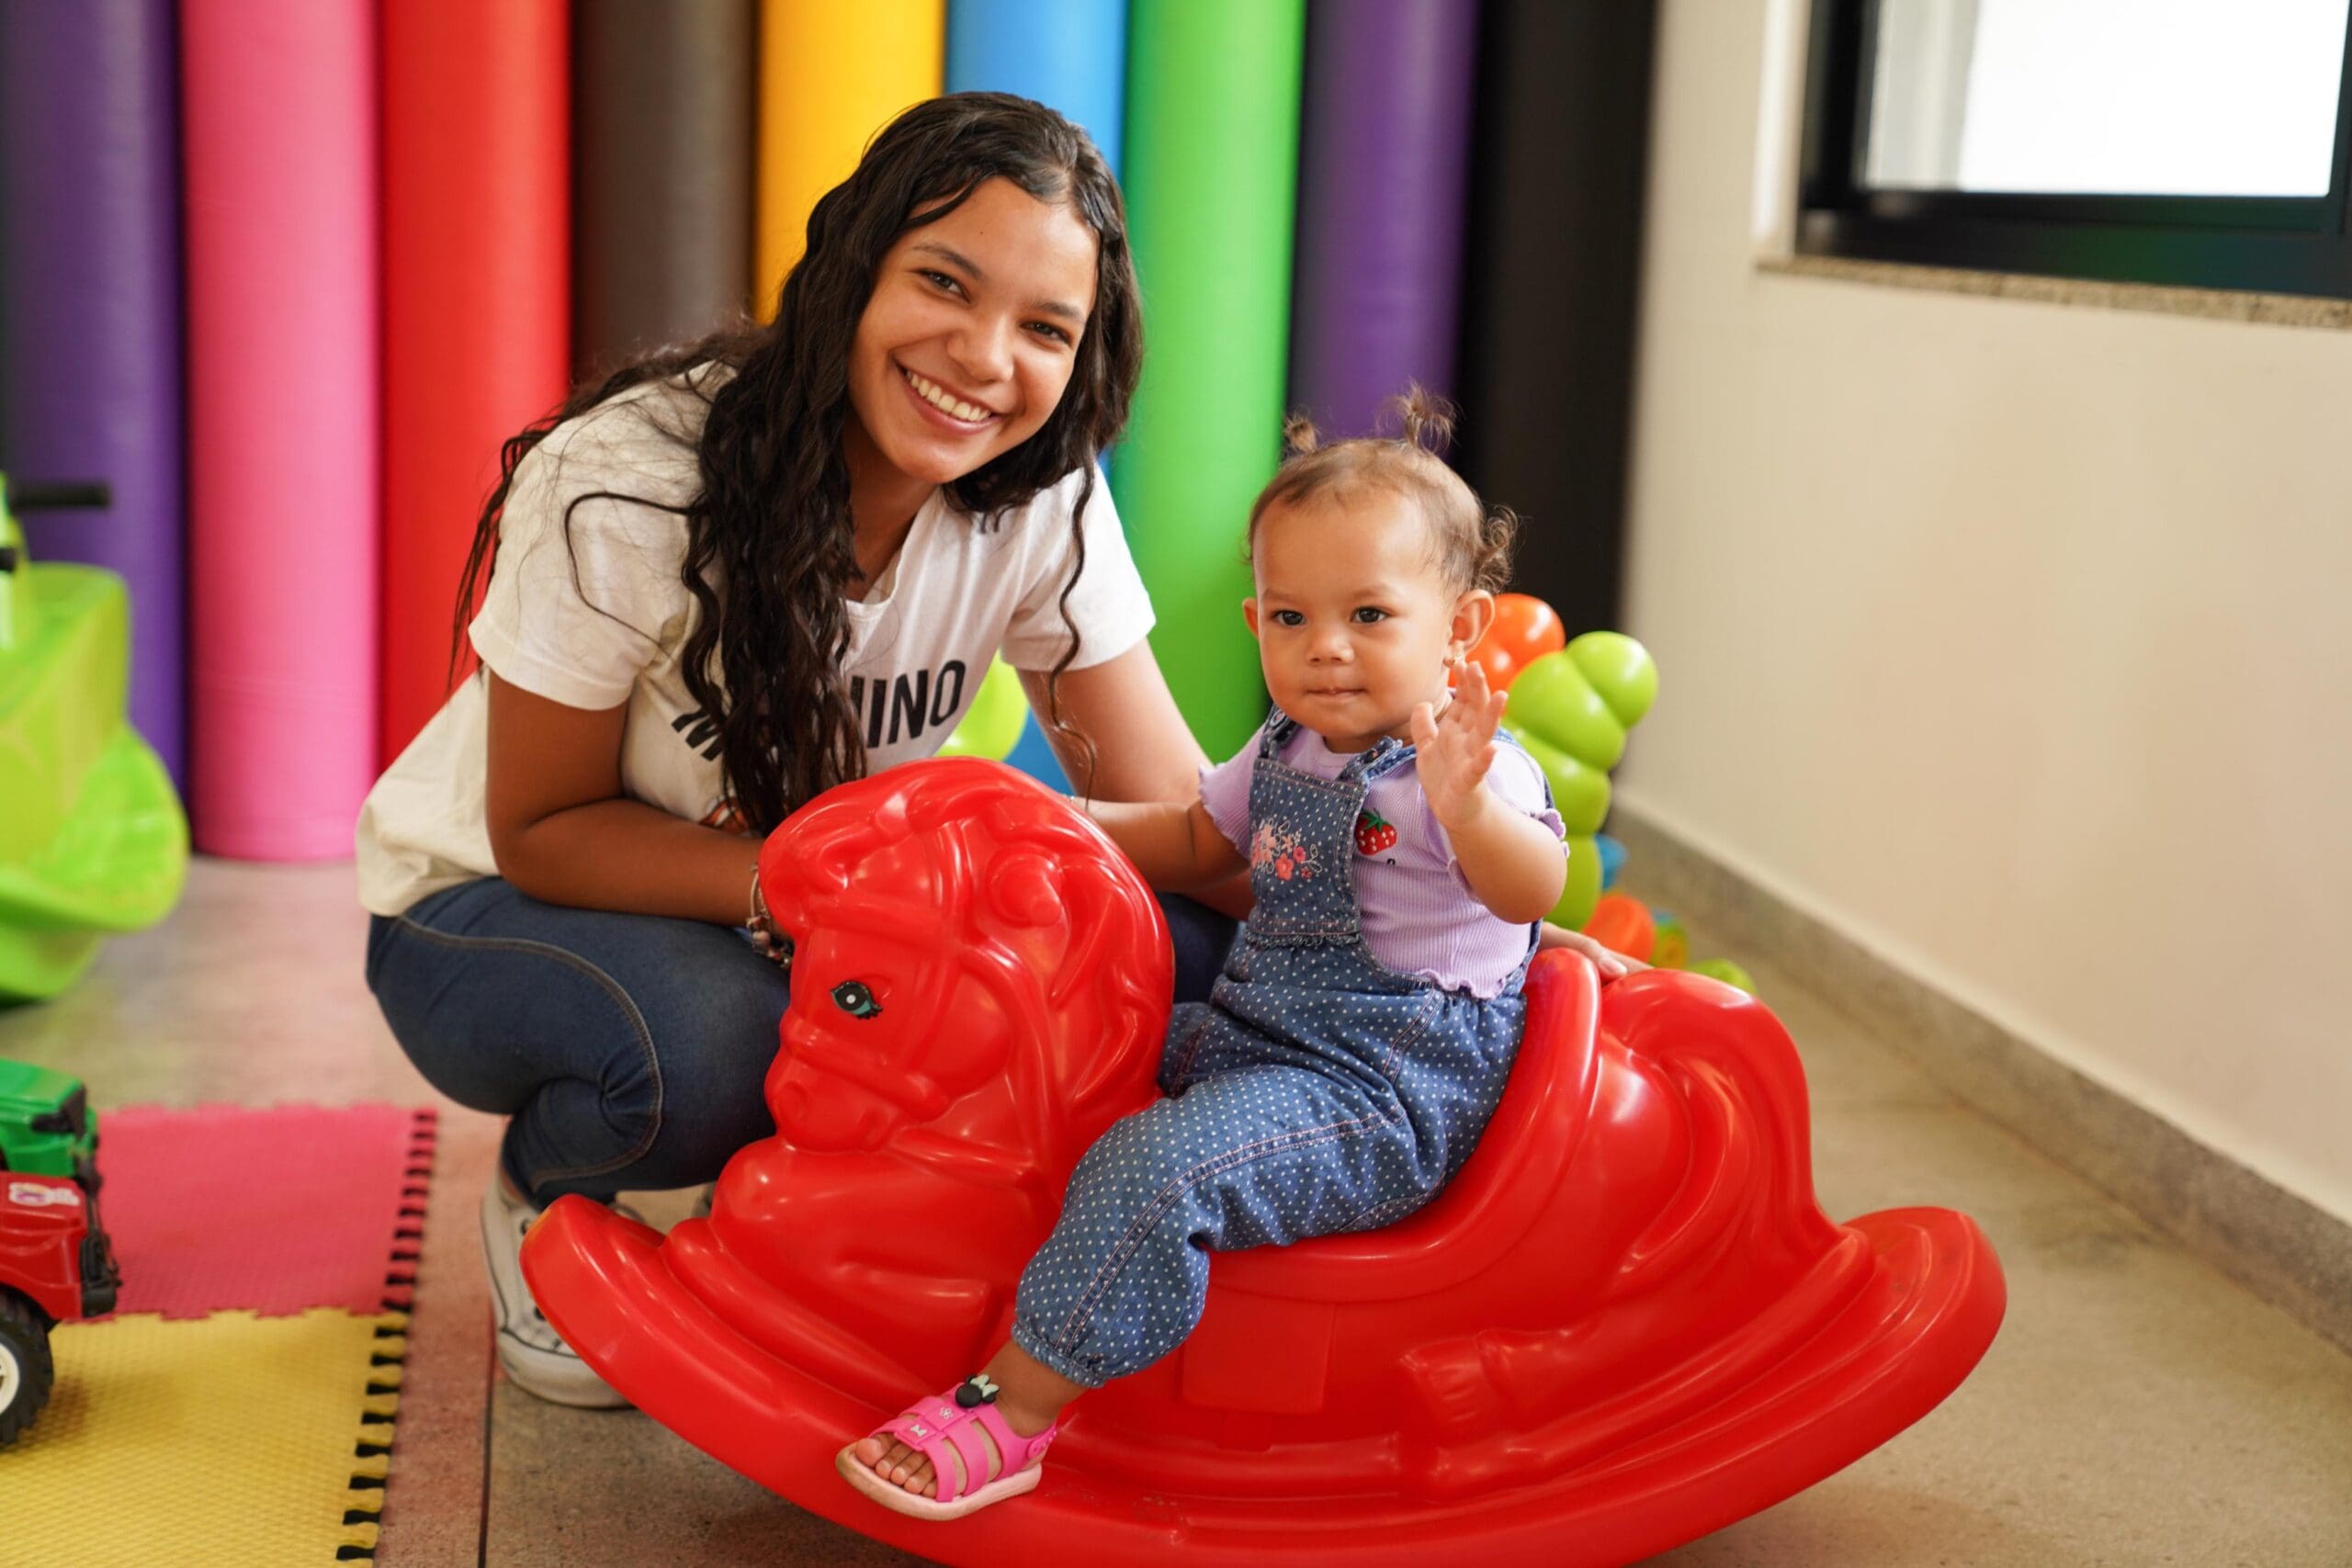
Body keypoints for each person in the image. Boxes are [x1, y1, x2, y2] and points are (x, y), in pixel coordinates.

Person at [356, 95, 1236, 1409]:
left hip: (804, 914)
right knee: (721, 1046)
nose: (984, 358)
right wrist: (830, 885)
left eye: (1045, 329)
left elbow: (1179, 814)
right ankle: (553, 1181)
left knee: (1197, 960)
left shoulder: (1040, 490)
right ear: (853, 270)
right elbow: (541, 824)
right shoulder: (633, 480)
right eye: (945, 281)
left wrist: (1416, 902)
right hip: (492, 904)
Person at [839, 392, 1577, 1520]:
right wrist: (1042, 814)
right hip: (1257, 1037)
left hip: (1382, 1091)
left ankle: (1016, 1408)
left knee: (1158, 1164)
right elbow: (1195, 838)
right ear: (1254, 620)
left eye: (1370, 615)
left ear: (1461, 629)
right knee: (1046, 1050)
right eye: (1291, 618)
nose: (1325, 648)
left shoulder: (1472, 769)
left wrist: (1466, 808)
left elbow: (1531, 890)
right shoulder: (1287, 744)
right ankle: (916, 1280)